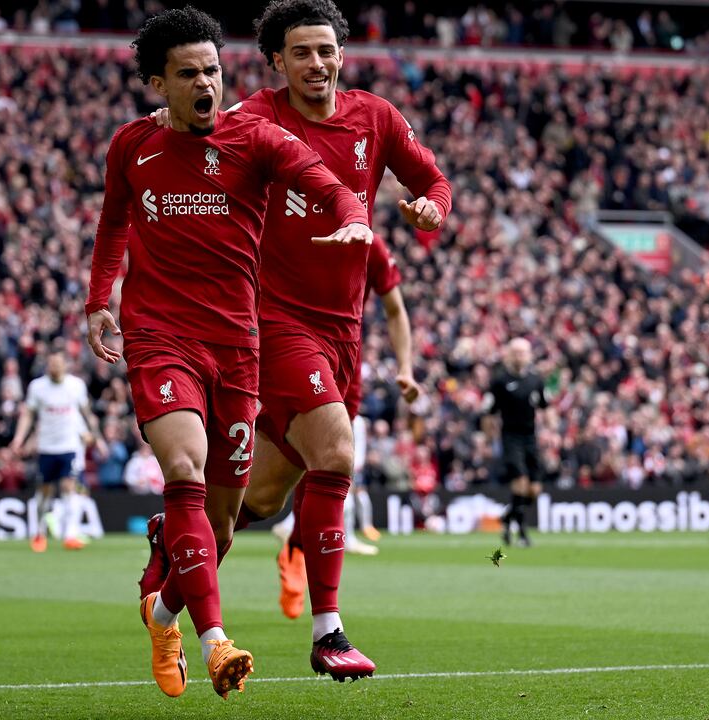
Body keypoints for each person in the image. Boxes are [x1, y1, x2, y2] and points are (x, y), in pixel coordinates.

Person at [139, 0, 449, 682]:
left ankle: (166, 590)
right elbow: (198, 126)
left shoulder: (377, 119)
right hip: (274, 323)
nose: (318, 63)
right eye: (302, 53)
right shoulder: (253, 118)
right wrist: (169, 118)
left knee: (258, 501)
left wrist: (433, 208)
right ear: (276, 62)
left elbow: (432, 178)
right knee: (338, 450)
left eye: (327, 50)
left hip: (345, 333)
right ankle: (328, 631)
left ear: (342, 54)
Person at [85, 6, 372, 700]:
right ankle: (217, 643)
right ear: (160, 83)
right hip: (159, 337)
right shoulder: (133, 147)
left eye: (212, 69)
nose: (205, 83)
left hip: (238, 347)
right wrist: (100, 300)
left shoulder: (256, 139)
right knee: (182, 466)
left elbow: (325, 182)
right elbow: (113, 223)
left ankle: (162, 614)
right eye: (188, 74)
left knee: (223, 524)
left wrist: (356, 216)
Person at [274, 234, 417, 616]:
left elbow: (395, 309)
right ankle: (188, 532)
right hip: (290, 349)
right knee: (269, 488)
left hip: (345, 363)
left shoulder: (371, 245)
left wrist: (405, 367)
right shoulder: (290, 220)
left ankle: (296, 548)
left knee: (329, 467)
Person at [10, 350, 99, 552]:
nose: (54, 368)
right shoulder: (38, 387)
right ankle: (39, 533)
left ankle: (70, 534)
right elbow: (28, 415)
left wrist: (93, 434)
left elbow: (86, 412)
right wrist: (19, 439)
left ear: (65, 365)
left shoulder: (76, 386)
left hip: (69, 446)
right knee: (45, 491)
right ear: (47, 366)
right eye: (51, 364)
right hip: (46, 447)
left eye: (58, 364)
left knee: (70, 486)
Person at [483, 338, 550, 547]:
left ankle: (507, 517)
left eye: (524, 352)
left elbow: (545, 407)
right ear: (509, 355)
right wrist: (488, 437)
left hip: (531, 437)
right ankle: (522, 532)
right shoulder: (500, 381)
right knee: (520, 480)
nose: (520, 356)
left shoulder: (535, 380)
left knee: (534, 490)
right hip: (511, 437)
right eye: (517, 352)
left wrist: (550, 430)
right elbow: (488, 412)